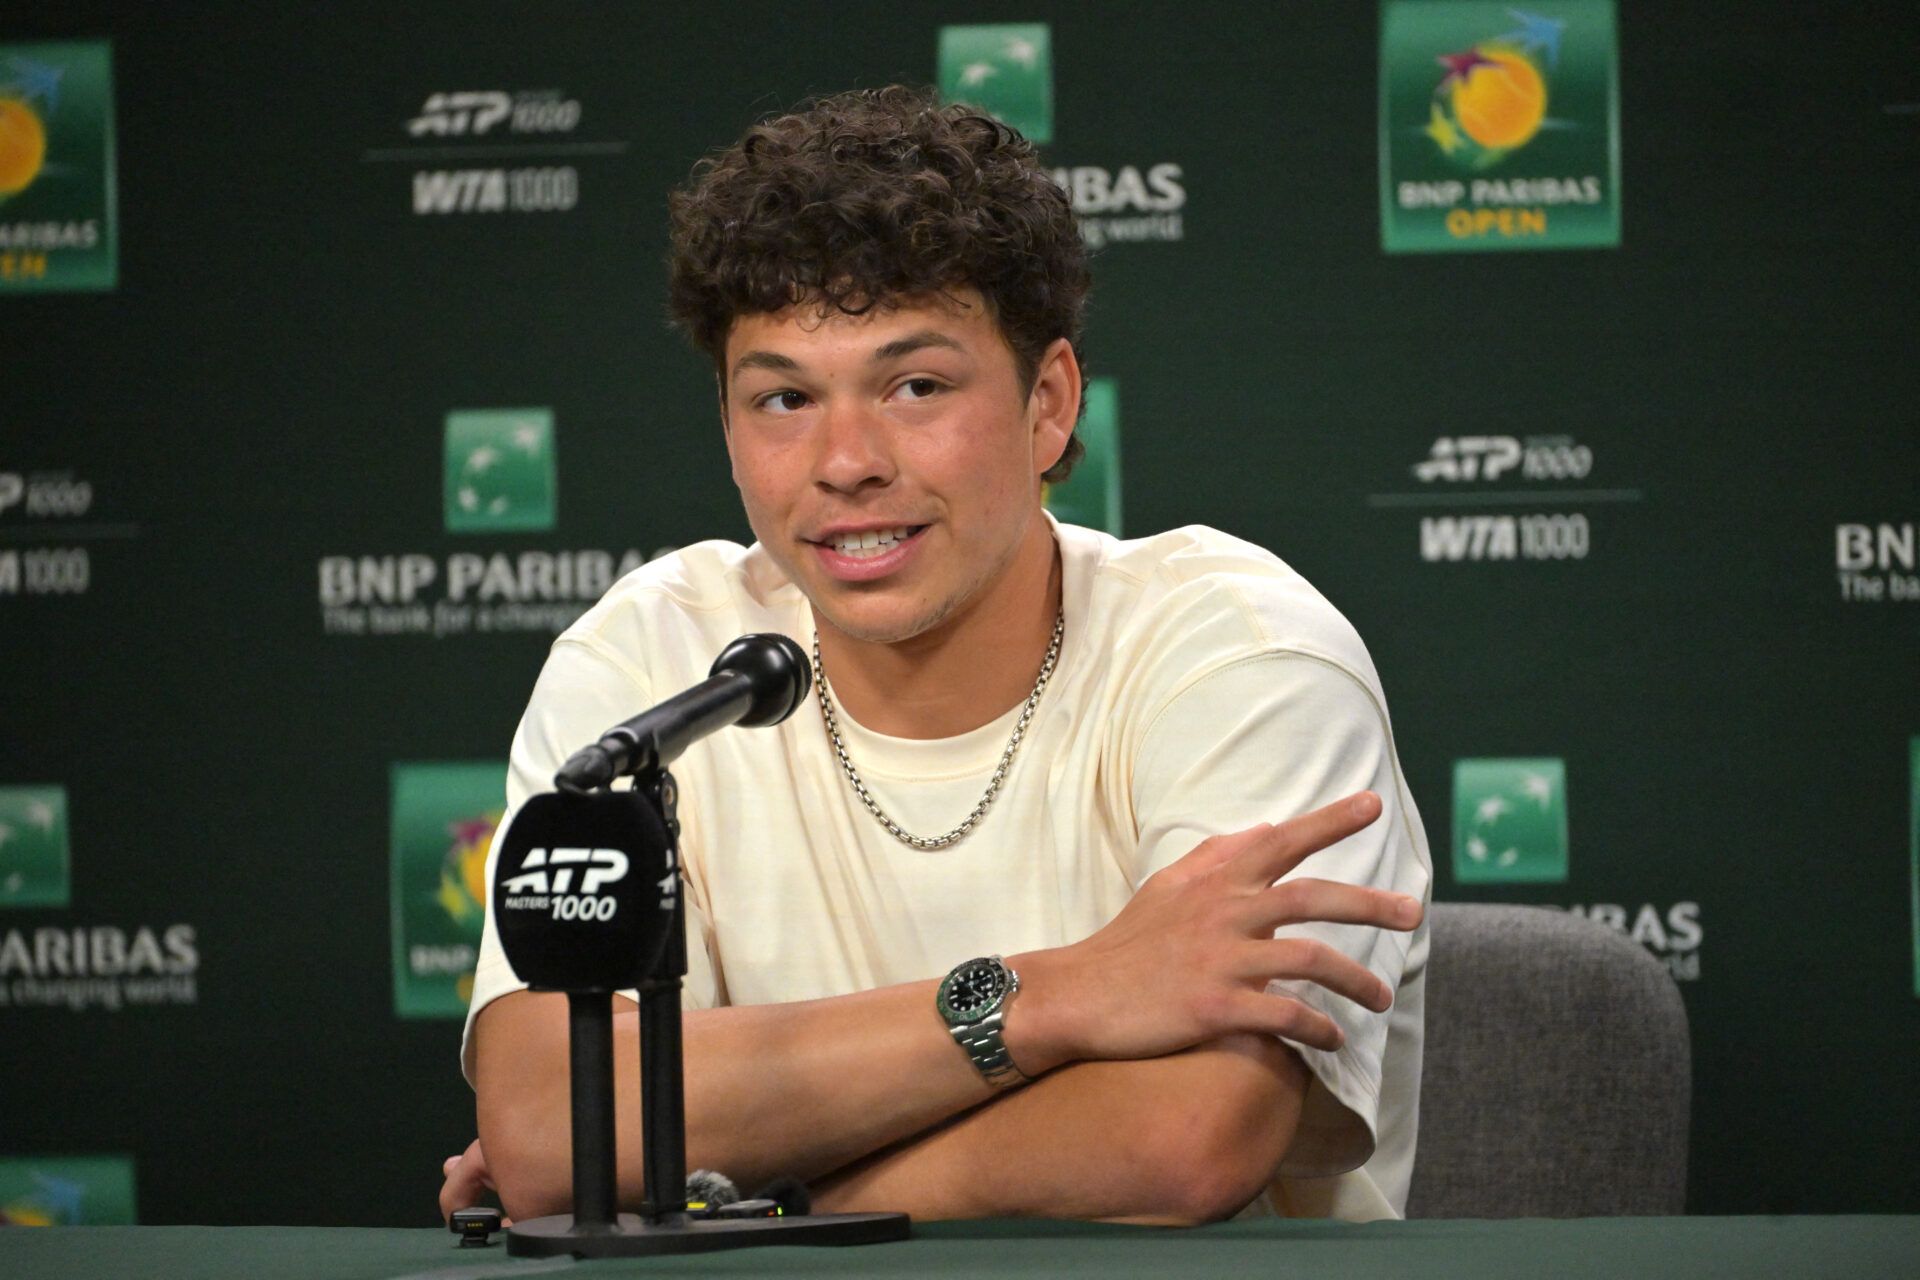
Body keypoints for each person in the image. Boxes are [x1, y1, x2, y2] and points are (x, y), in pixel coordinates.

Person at [439, 84, 1431, 1226]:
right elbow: (545, 1123)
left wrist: (730, 1199)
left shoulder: (1243, 655)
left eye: (916, 386)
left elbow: (1183, 1138)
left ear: (1049, 403)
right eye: (783, 397)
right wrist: (1055, 994)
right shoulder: (653, 661)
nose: (846, 459)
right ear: (725, 423)